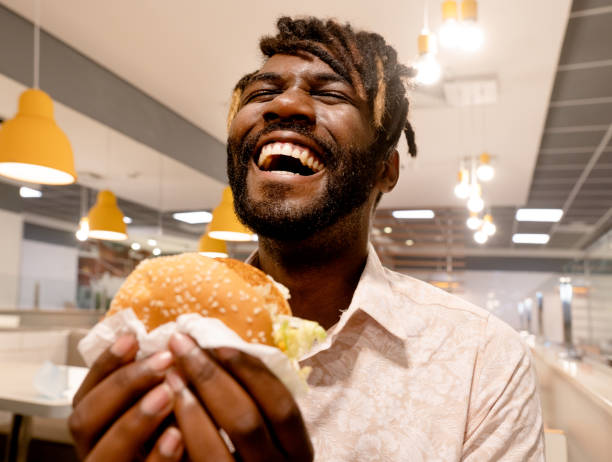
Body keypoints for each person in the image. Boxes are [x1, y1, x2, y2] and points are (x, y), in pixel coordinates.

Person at [69, 16, 544, 461]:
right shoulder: (156, 325)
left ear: (386, 169)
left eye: (332, 94)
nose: (284, 104)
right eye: (263, 92)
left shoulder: (482, 358)